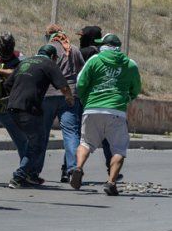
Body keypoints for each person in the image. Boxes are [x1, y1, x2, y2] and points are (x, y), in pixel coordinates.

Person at [70, 34, 141, 196]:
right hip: (116, 111)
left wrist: (85, 99)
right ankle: (111, 182)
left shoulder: (94, 60)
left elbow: (81, 82)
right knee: (119, 149)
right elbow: (136, 88)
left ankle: (79, 167)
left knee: (85, 142)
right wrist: (127, 98)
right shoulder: (130, 64)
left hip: (92, 108)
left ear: (105, 45)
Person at [5, 45, 72, 188]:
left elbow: (8, 83)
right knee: (38, 143)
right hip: (28, 109)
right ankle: (19, 175)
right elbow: (64, 86)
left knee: (33, 141)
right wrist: (70, 98)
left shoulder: (25, 62)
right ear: (53, 57)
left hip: (12, 108)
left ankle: (31, 174)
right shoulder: (49, 64)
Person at [37, 25, 85, 184]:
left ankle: (34, 170)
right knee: (71, 134)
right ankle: (73, 169)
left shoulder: (46, 49)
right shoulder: (74, 50)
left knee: (42, 135)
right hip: (70, 95)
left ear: (49, 35)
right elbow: (82, 73)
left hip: (48, 94)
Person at [77, 26, 118, 178]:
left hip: (88, 101)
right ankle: (111, 168)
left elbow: (81, 79)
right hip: (105, 103)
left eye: (82, 36)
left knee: (81, 137)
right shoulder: (103, 54)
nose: (80, 39)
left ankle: (71, 168)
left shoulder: (89, 54)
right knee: (108, 137)